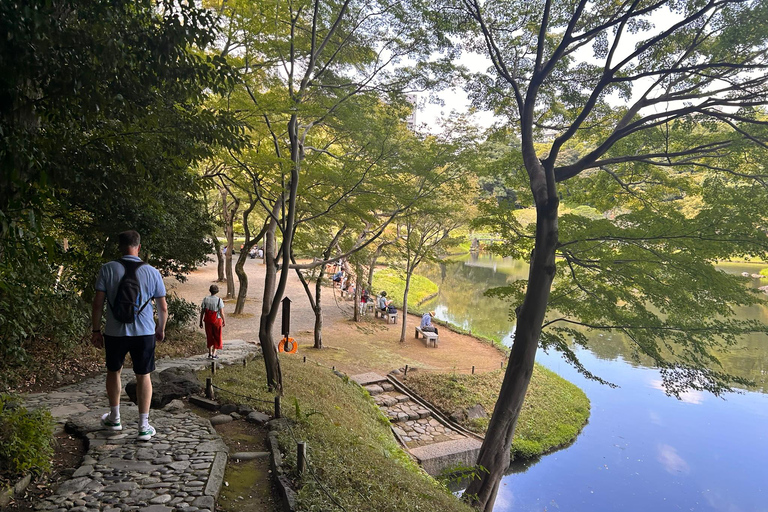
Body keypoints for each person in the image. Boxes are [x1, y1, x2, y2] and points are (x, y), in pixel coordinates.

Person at [91, 230, 167, 441]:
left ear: (119, 246)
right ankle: (143, 426)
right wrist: (160, 328)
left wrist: (96, 330)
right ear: (138, 247)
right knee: (143, 375)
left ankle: (115, 418)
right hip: (144, 332)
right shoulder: (152, 272)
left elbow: (98, 303)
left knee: (113, 371)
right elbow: (163, 307)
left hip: (115, 332)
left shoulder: (107, 269)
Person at [199, 284, 226, 359]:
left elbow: (202, 311)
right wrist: (224, 320)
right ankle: (214, 353)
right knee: (217, 336)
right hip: (217, 320)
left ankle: (210, 353)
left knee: (209, 335)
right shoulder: (219, 300)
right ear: (217, 291)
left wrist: (200, 321)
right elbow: (221, 312)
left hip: (207, 320)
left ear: (210, 290)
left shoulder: (205, 299)